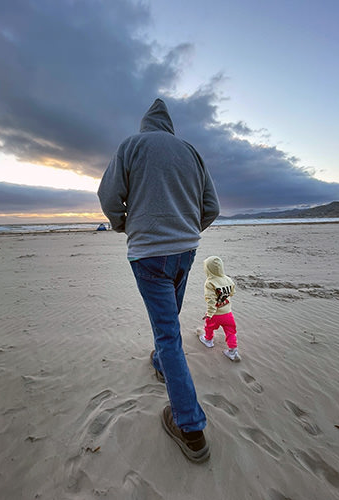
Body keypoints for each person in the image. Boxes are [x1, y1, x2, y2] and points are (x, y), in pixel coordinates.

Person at [98, 98, 219, 463]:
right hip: (185, 251)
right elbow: (210, 207)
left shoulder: (132, 145)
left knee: (168, 332)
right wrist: (184, 230)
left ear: (145, 124)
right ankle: (162, 364)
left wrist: (125, 226)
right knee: (169, 323)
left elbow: (108, 196)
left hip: (149, 253)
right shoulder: (190, 151)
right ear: (169, 126)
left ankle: (191, 428)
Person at [199, 255, 241, 361]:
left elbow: (211, 300)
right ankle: (233, 351)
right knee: (230, 331)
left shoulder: (210, 282)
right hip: (228, 313)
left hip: (216, 314)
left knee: (209, 326)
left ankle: (208, 340)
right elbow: (232, 292)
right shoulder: (228, 279)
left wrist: (209, 313)